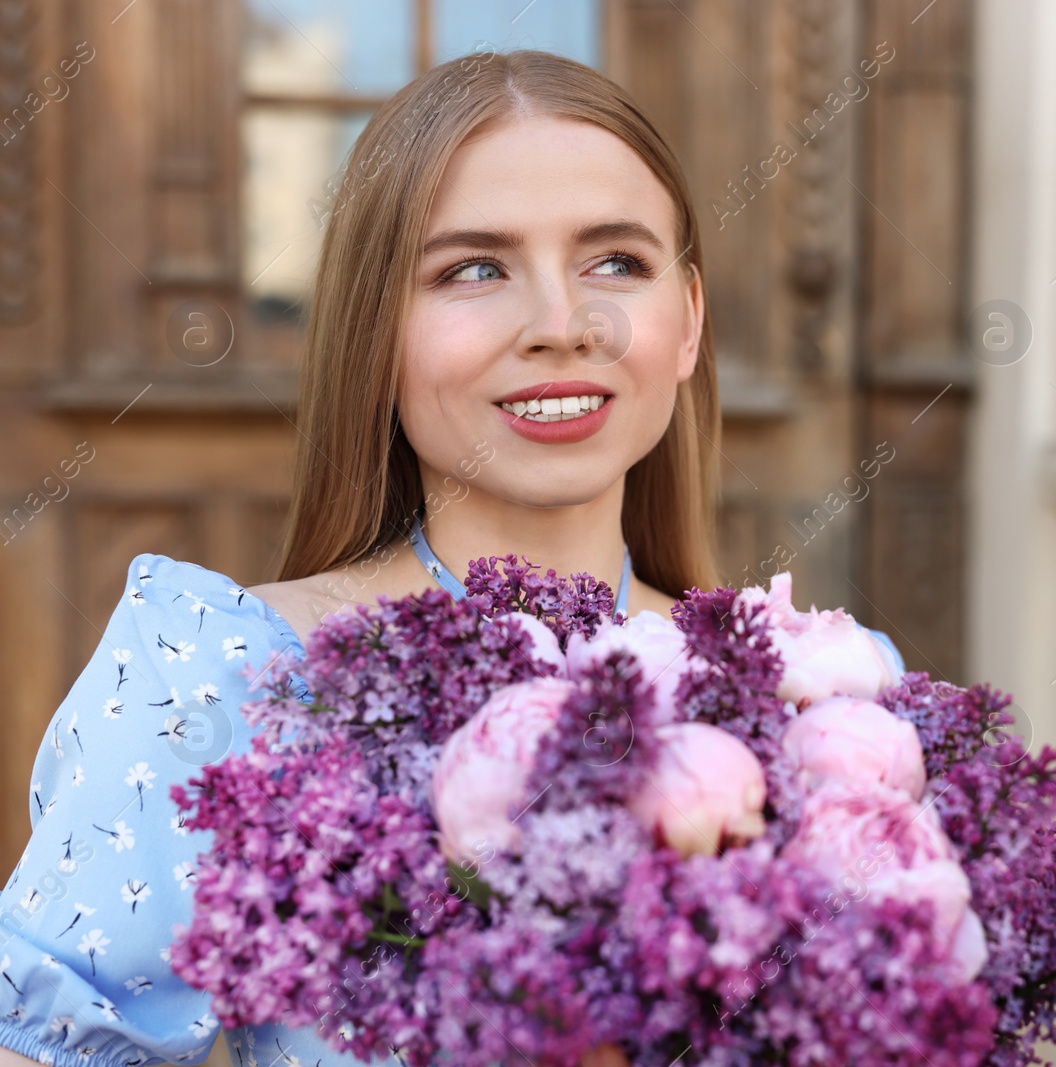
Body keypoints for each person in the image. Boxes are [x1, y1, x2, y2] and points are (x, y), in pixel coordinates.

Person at [0, 49, 903, 1067]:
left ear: (688, 319)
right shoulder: (224, 671)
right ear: (373, 331)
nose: (563, 325)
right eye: (474, 268)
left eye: (615, 261)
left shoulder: (825, 693)